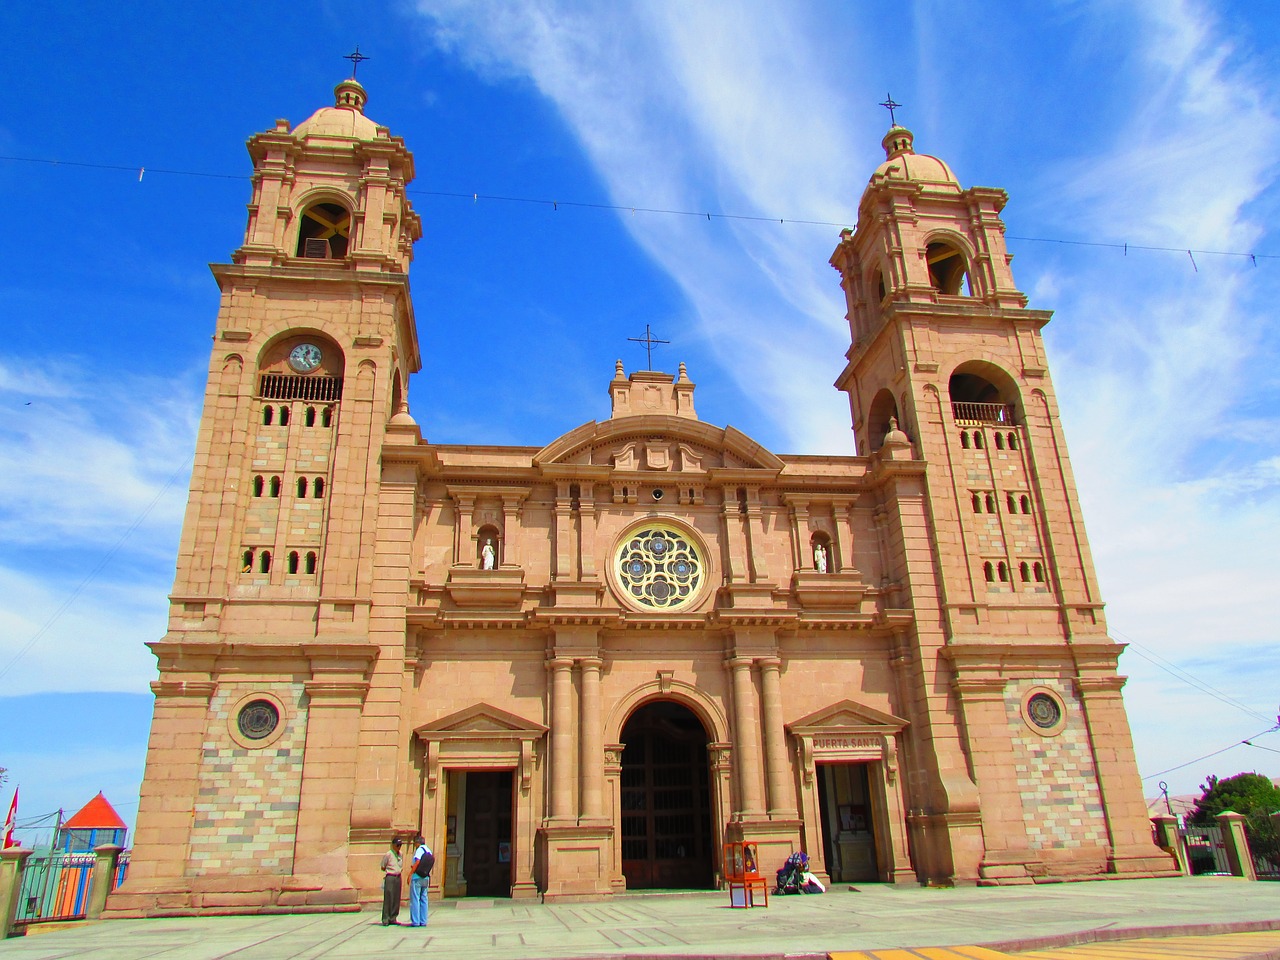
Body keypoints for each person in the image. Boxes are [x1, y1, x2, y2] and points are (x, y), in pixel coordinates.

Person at [409, 833, 433, 927]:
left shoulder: (419, 850)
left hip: (417, 877)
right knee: (424, 898)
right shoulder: (428, 850)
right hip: (426, 877)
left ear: (417, 843)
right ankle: (423, 921)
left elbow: (418, 861)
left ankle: (415, 921)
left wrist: (410, 873)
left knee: (415, 898)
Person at [379, 837, 403, 925]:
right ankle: (386, 918)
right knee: (389, 897)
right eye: (397, 845)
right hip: (390, 876)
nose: (399, 847)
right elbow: (383, 866)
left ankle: (393, 917)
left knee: (396, 897)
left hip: (398, 876)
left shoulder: (401, 854)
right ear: (393, 845)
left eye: (400, 845)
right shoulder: (388, 854)